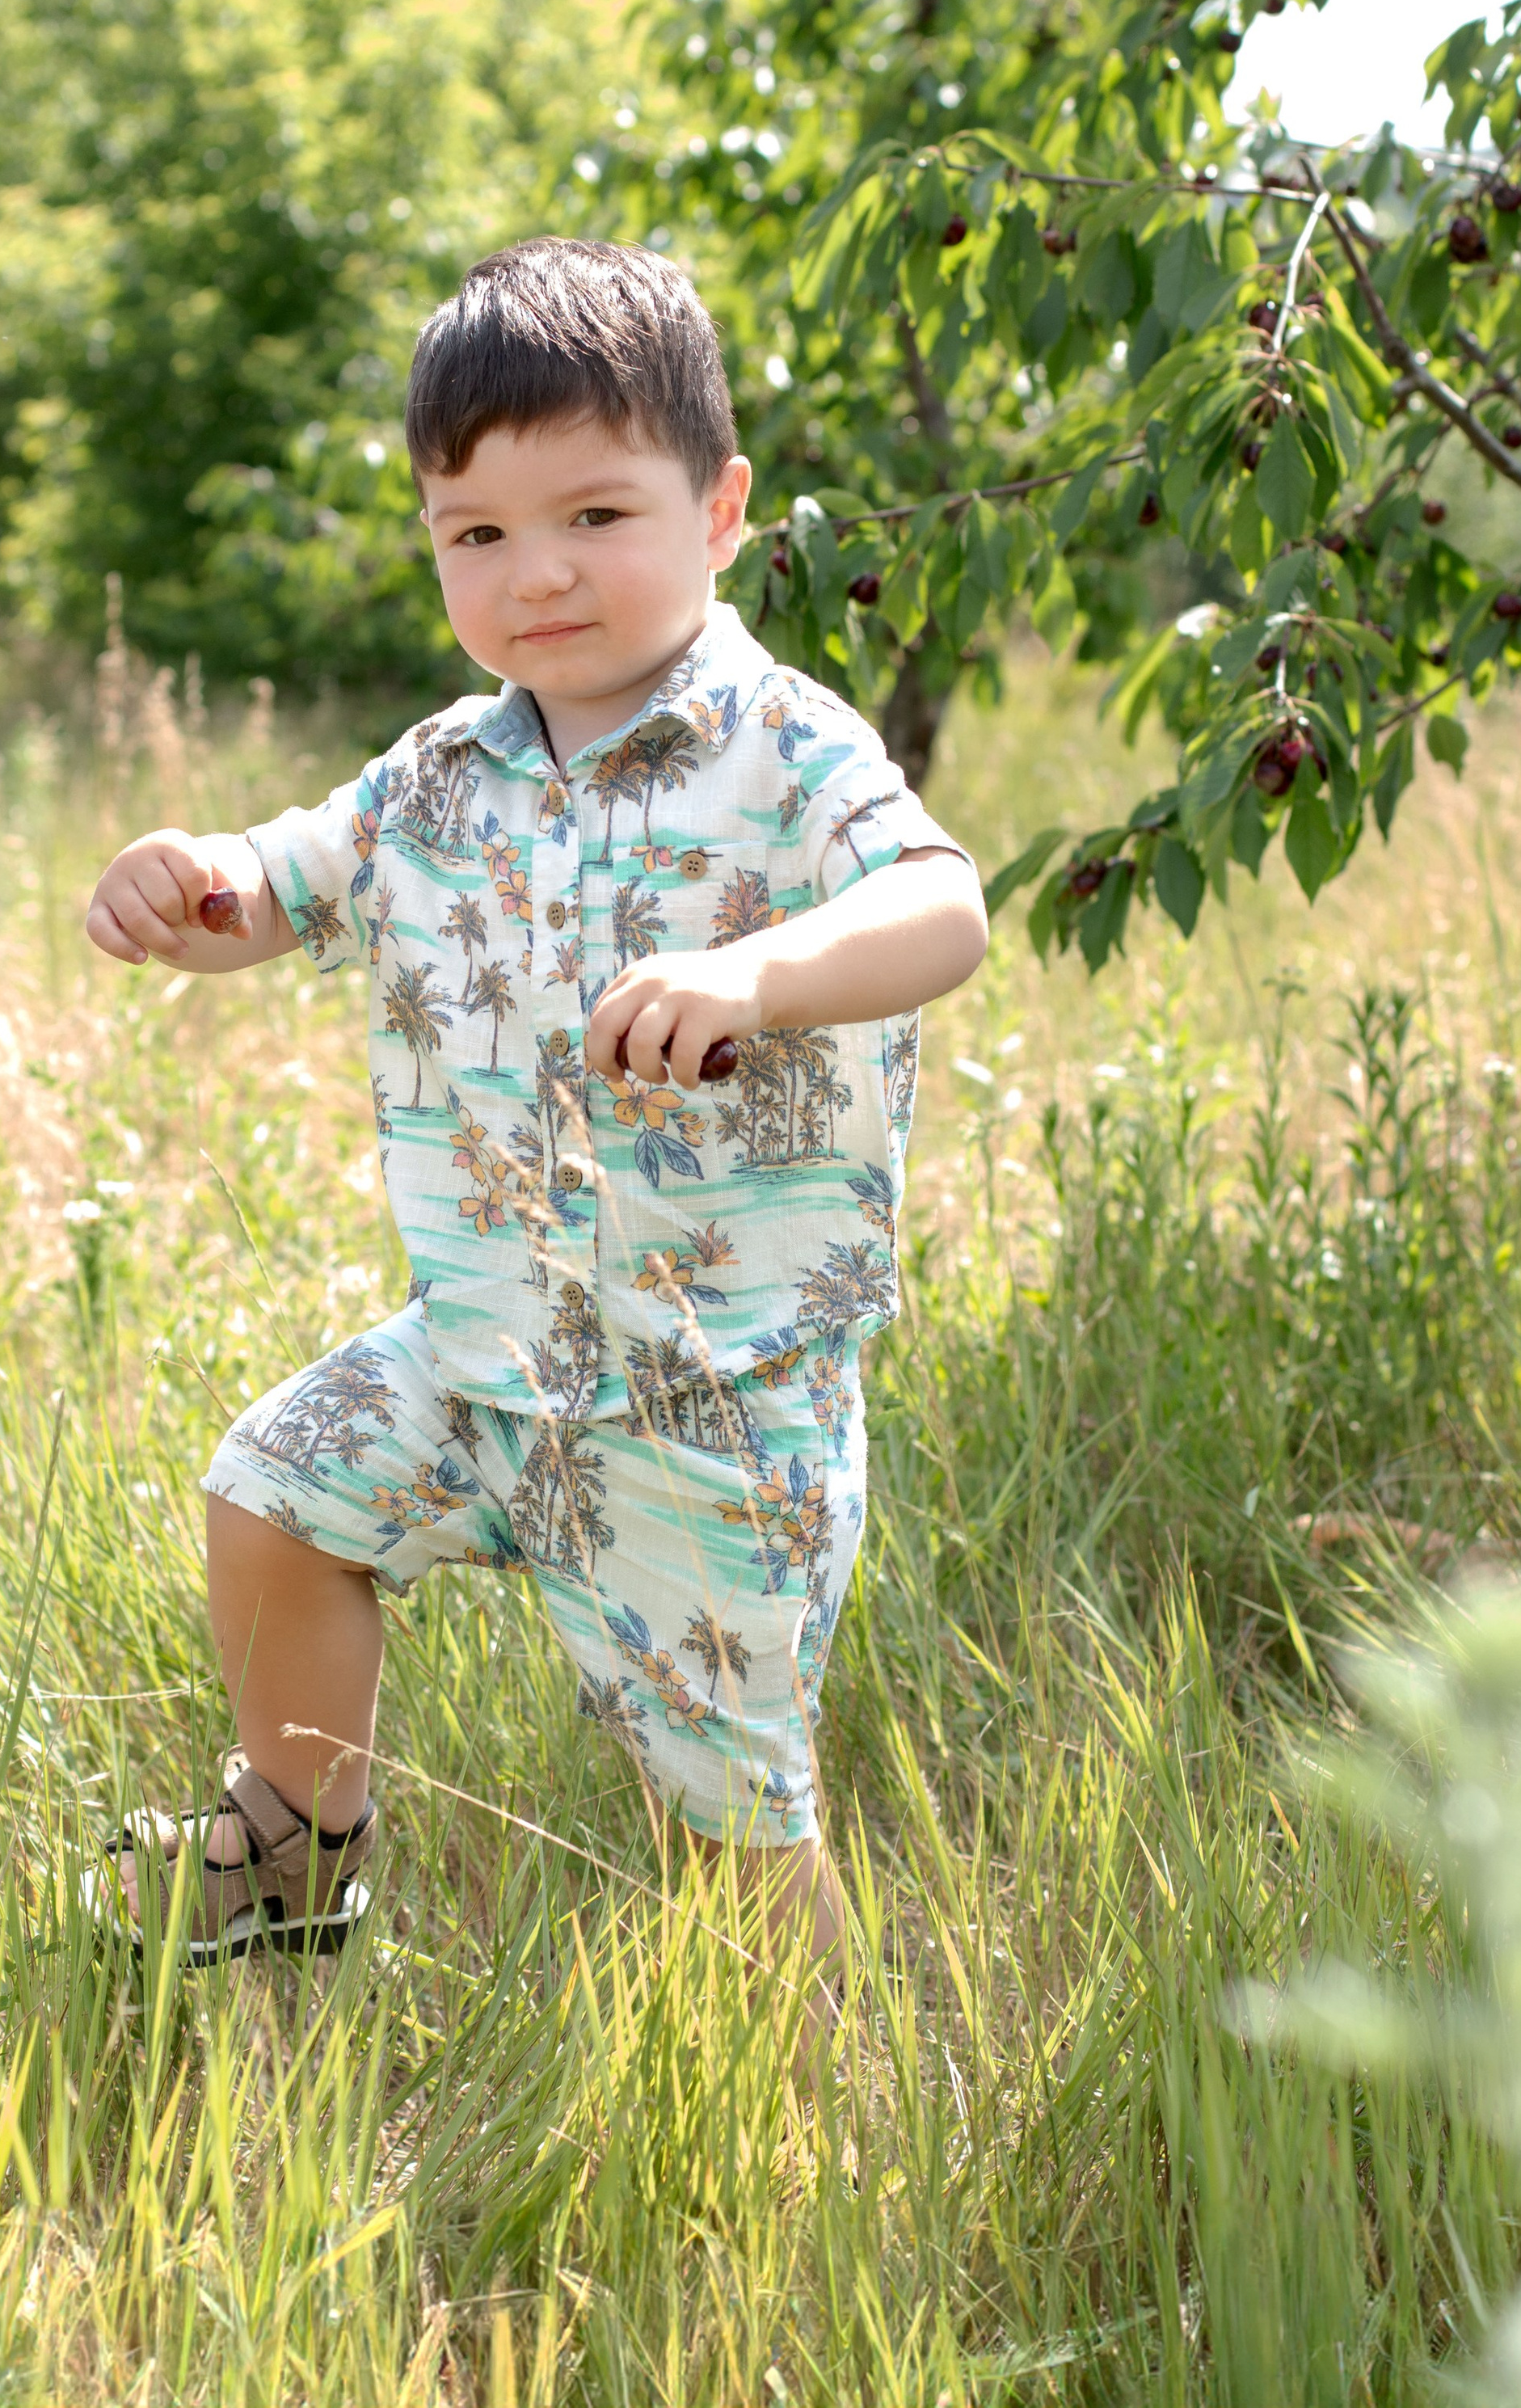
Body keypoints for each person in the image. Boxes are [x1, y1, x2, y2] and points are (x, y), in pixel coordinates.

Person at [83, 236, 988, 1978]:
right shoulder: (441, 770)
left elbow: (937, 908)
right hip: (482, 1347)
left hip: (707, 1395)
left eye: (592, 515)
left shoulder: (784, 752)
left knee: (724, 1823)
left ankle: (823, 2132)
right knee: (274, 1490)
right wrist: (185, 880)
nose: (536, 574)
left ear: (719, 512)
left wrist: (760, 974)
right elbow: (276, 886)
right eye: (476, 535)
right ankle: (288, 1858)